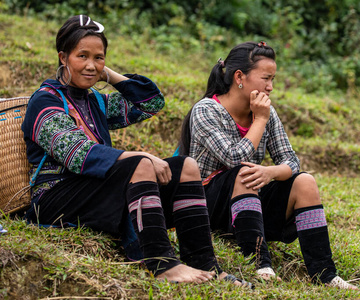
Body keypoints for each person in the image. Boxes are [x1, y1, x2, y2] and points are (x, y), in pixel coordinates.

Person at [21, 15, 252, 287]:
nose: (90, 64)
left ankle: (205, 262)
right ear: (63, 57)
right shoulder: (46, 100)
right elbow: (78, 154)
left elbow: (151, 102)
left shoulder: (94, 100)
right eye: (81, 56)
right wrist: (142, 158)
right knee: (141, 164)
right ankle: (162, 263)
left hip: (93, 189)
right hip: (55, 197)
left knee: (186, 166)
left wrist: (105, 74)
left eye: (99, 57)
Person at [177, 41, 358, 289]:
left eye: (273, 79)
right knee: (245, 171)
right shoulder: (207, 110)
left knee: (305, 181)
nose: (270, 87)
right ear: (239, 77)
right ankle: (261, 264)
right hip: (208, 207)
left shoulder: (266, 113)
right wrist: (259, 119)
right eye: (265, 78)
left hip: (247, 204)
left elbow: (291, 161)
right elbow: (233, 158)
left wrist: (271, 171)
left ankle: (325, 274)